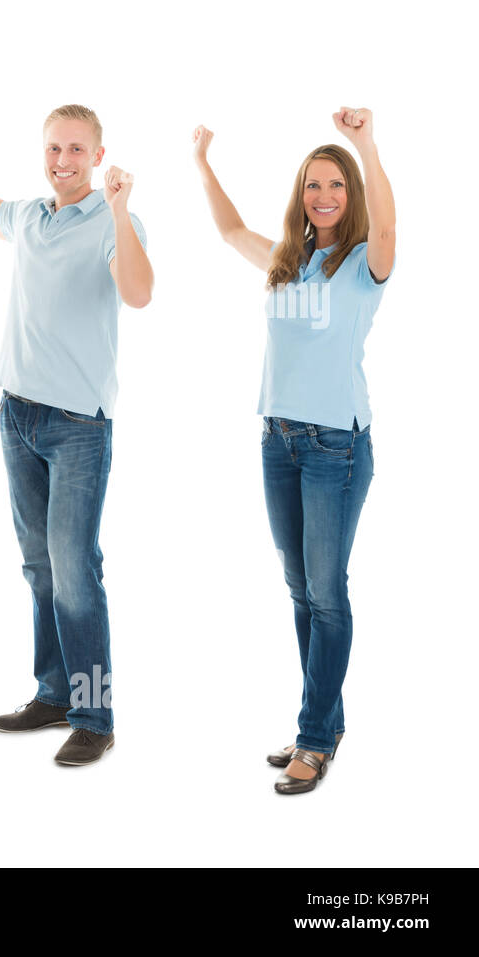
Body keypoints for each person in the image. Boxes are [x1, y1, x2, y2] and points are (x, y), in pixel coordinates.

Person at [0, 86, 153, 767]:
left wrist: (120, 211)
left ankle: (95, 714)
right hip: (16, 414)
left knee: (75, 572)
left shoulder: (114, 218)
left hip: (77, 426)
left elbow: (139, 291)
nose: (63, 159)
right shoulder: (30, 216)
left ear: (98, 156)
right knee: (39, 568)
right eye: (53, 147)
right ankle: (54, 691)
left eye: (75, 148)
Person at [193, 108, 395, 794]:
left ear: (351, 193)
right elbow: (227, 230)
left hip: (335, 446)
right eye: (314, 185)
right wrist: (202, 164)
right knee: (301, 591)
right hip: (276, 440)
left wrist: (366, 144)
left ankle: (314, 737)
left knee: (327, 594)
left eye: (336, 184)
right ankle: (326, 721)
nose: (325, 195)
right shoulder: (289, 262)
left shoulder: (366, 264)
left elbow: (390, 227)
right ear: (302, 194)